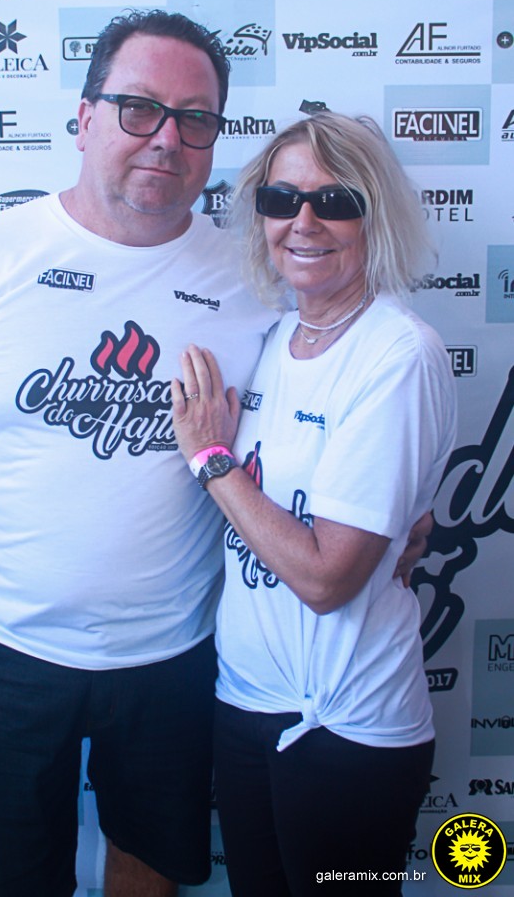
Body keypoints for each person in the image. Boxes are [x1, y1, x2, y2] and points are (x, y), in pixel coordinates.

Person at [0, 10, 431, 897]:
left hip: (177, 657)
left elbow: (332, 399)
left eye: (195, 118)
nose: (167, 138)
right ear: (85, 117)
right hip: (3, 652)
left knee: (152, 872)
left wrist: (402, 505)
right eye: (139, 109)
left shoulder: (256, 278)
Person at [171, 112, 457, 896]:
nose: (303, 222)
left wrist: (211, 460)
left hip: (347, 727)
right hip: (245, 703)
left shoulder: (398, 353)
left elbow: (328, 579)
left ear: (375, 215)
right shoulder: (269, 340)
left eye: (335, 201)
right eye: (281, 199)